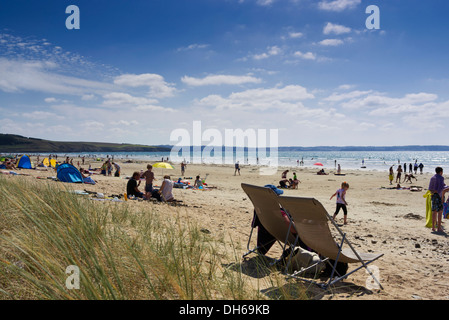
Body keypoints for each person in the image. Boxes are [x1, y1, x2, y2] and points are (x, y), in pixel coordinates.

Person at [428, 167, 449, 232]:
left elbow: (430, 188)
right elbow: (441, 189)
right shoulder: (441, 178)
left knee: (434, 211)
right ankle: (439, 227)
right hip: (439, 196)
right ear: (441, 172)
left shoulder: (432, 178)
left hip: (433, 195)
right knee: (440, 212)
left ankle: (433, 227)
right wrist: (446, 187)